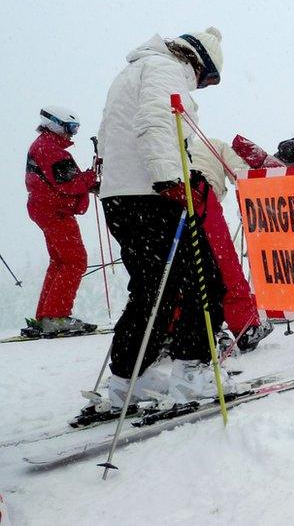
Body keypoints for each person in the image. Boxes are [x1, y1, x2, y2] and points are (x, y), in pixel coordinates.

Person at [97, 27, 232, 406]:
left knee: (151, 289)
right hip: (152, 194)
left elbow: (107, 134)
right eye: (207, 81)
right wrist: (167, 177)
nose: (201, 88)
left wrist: (110, 176)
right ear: (199, 64)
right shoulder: (165, 69)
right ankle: (193, 371)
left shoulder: (132, 71)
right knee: (203, 280)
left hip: (121, 196)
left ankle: (128, 377)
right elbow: (157, 120)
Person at [187, 137, 275, 353]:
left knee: (184, 272)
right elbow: (241, 174)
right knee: (225, 266)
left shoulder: (170, 143)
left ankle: (176, 331)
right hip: (202, 197)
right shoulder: (214, 144)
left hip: (166, 199)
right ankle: (245, 328)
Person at [25, 106, 99, 335]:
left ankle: (46, 316)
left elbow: (65, 181)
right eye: (70, 128)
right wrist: (91, 176)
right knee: (75, 261)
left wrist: (88, 182)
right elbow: (69, 183)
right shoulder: (50, 149)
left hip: (46, 209)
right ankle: (56, 316)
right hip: (56, 211)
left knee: (60, 261)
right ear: (55, 124)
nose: (72, 134)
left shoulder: (45, 145)